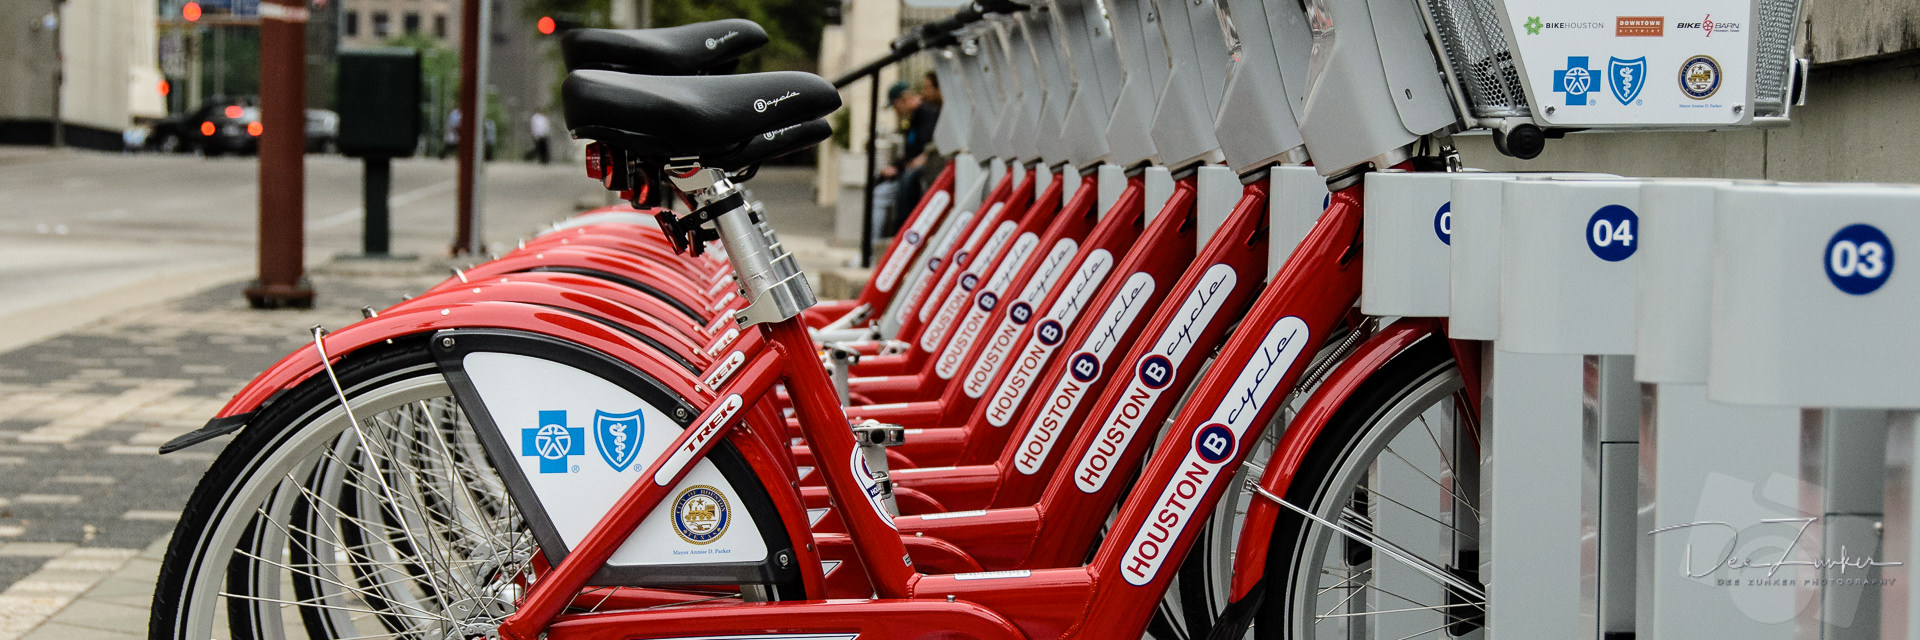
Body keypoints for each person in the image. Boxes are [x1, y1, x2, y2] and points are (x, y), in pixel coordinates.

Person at [877, 79, 941, 237]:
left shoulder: (928, 113)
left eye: (895, 106)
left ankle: (901, 230)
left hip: (924, 169)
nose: (896, 111)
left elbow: (929, 146)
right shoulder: (914, 119)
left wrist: (911, 163)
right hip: (911, 167)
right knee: (880, 187)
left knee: (906, 180)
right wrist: (896, 166)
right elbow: (910, 151)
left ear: (903, 99)